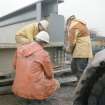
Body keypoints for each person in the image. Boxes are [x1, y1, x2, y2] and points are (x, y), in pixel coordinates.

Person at [12, 31, 60, 105]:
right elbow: (49, 75)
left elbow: (14, 66)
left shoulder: (19, 49)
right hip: (34, 90)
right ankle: (39, 100)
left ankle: (27, 100)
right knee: (54, 83)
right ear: (44, 43)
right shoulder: (44, 54)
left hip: (18, 87)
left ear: (36, 39)